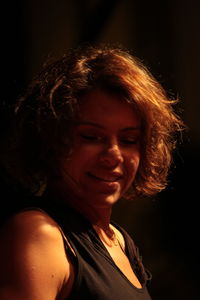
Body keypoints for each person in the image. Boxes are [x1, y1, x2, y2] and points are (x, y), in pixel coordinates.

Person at [0, 44, 184, 299]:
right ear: (51, 138)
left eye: (129, 140)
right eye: (91, 136)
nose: (114, 156)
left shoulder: (119, 240)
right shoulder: (38, 233)